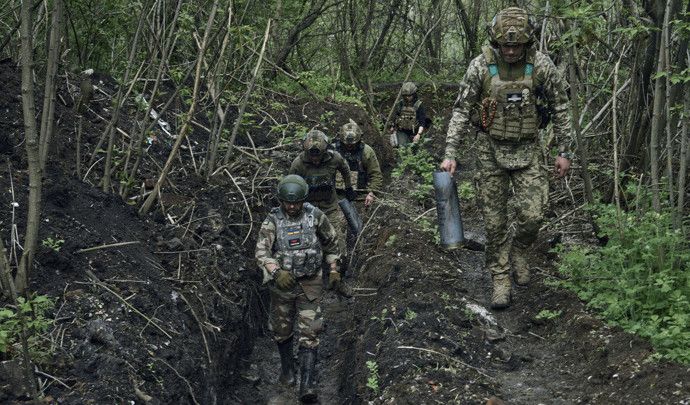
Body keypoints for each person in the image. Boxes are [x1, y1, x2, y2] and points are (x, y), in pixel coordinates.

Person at [439, 7, 572, 309]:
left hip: (529, 149)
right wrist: (450, 152)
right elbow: (461, 110)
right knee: (495, 223)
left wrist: (564, 152)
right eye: (505, 45)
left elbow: (561, 108)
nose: (511, 51)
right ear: (496, 42)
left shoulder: (541, 65)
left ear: (528, 42)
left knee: (533, 216)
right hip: (490, 151)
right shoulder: (480, 67)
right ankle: (500, 279)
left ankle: (520, 250)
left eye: (517, 45)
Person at [255, 174, 343, 402]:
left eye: (296, 202)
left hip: (310, 281)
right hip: (282, 285)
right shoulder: (272, 220)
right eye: (288, 202)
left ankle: (307, 382)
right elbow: (261, 253)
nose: (292, 206)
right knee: (281, 329)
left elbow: (331, 242)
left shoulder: (316, 216)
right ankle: (287, 371)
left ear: (303, 199)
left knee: (310, 330)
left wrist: (334, 269)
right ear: (281, 200)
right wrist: (276, 271)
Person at [289, 129, 354, 296]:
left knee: (339, 247)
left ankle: (338, 280)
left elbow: (345, 169)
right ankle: (310, 285)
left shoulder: (335, 158)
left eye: (319, 155)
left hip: (329, 207)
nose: (315, 159)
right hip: (307, 210)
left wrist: (348, 187)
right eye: (312, 156)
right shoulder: (298, 164)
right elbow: (290, 187)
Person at [333, 119, 383, 208]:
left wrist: (371, 193)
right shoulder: (333, 151)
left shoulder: (366, 151)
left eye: (352, 144)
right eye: (346, 144)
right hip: (335, 196)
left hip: (360, 196)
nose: (349, 146)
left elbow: (376, 174)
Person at [390, 82, 426, 147]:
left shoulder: (419, 105)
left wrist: (418, 134)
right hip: (402, 131)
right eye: (405, 95)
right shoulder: (400, 104)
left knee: (414, 150)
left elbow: (422, 122)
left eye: (409, 95)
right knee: (402, 148)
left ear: (414, 94)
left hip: (415, 132)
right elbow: (396, 116)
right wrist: (392, 126)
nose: (407, 97)